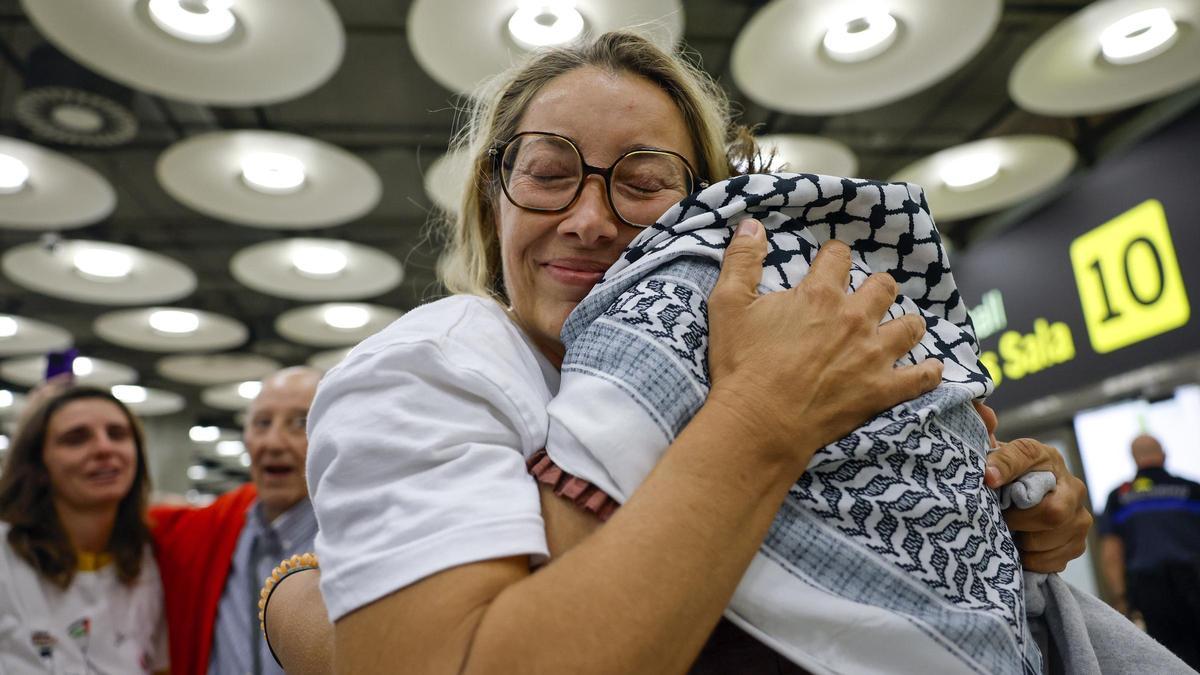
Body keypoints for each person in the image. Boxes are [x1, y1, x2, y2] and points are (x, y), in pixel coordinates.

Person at [273, 32, 1090, 673]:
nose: (590, 218)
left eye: (643, 182)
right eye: (551, 173)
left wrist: (998, 510)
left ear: (714, 214)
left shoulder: (766, 344)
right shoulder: (434, 364)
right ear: (493, 206)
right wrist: (761, 422)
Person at [150, 366, 321, 675]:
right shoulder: (213, 530)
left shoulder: (363, 539)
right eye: (262, 423)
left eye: (300, 423)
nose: (273, 442)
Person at [0, 385, 168, 674]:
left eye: (118, 434)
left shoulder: (154, 559)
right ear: (39, 464)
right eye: (75, 439)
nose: (104, 448)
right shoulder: (5, 555)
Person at [1099, 434, 1200, 669]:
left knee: (1169, 659)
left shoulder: (1119, 497)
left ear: (1134, 458)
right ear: (1164, 454)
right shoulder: (1192, 490)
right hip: (1194, 581)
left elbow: (1111, 553)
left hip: (1149, 590)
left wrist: (1121, 599)